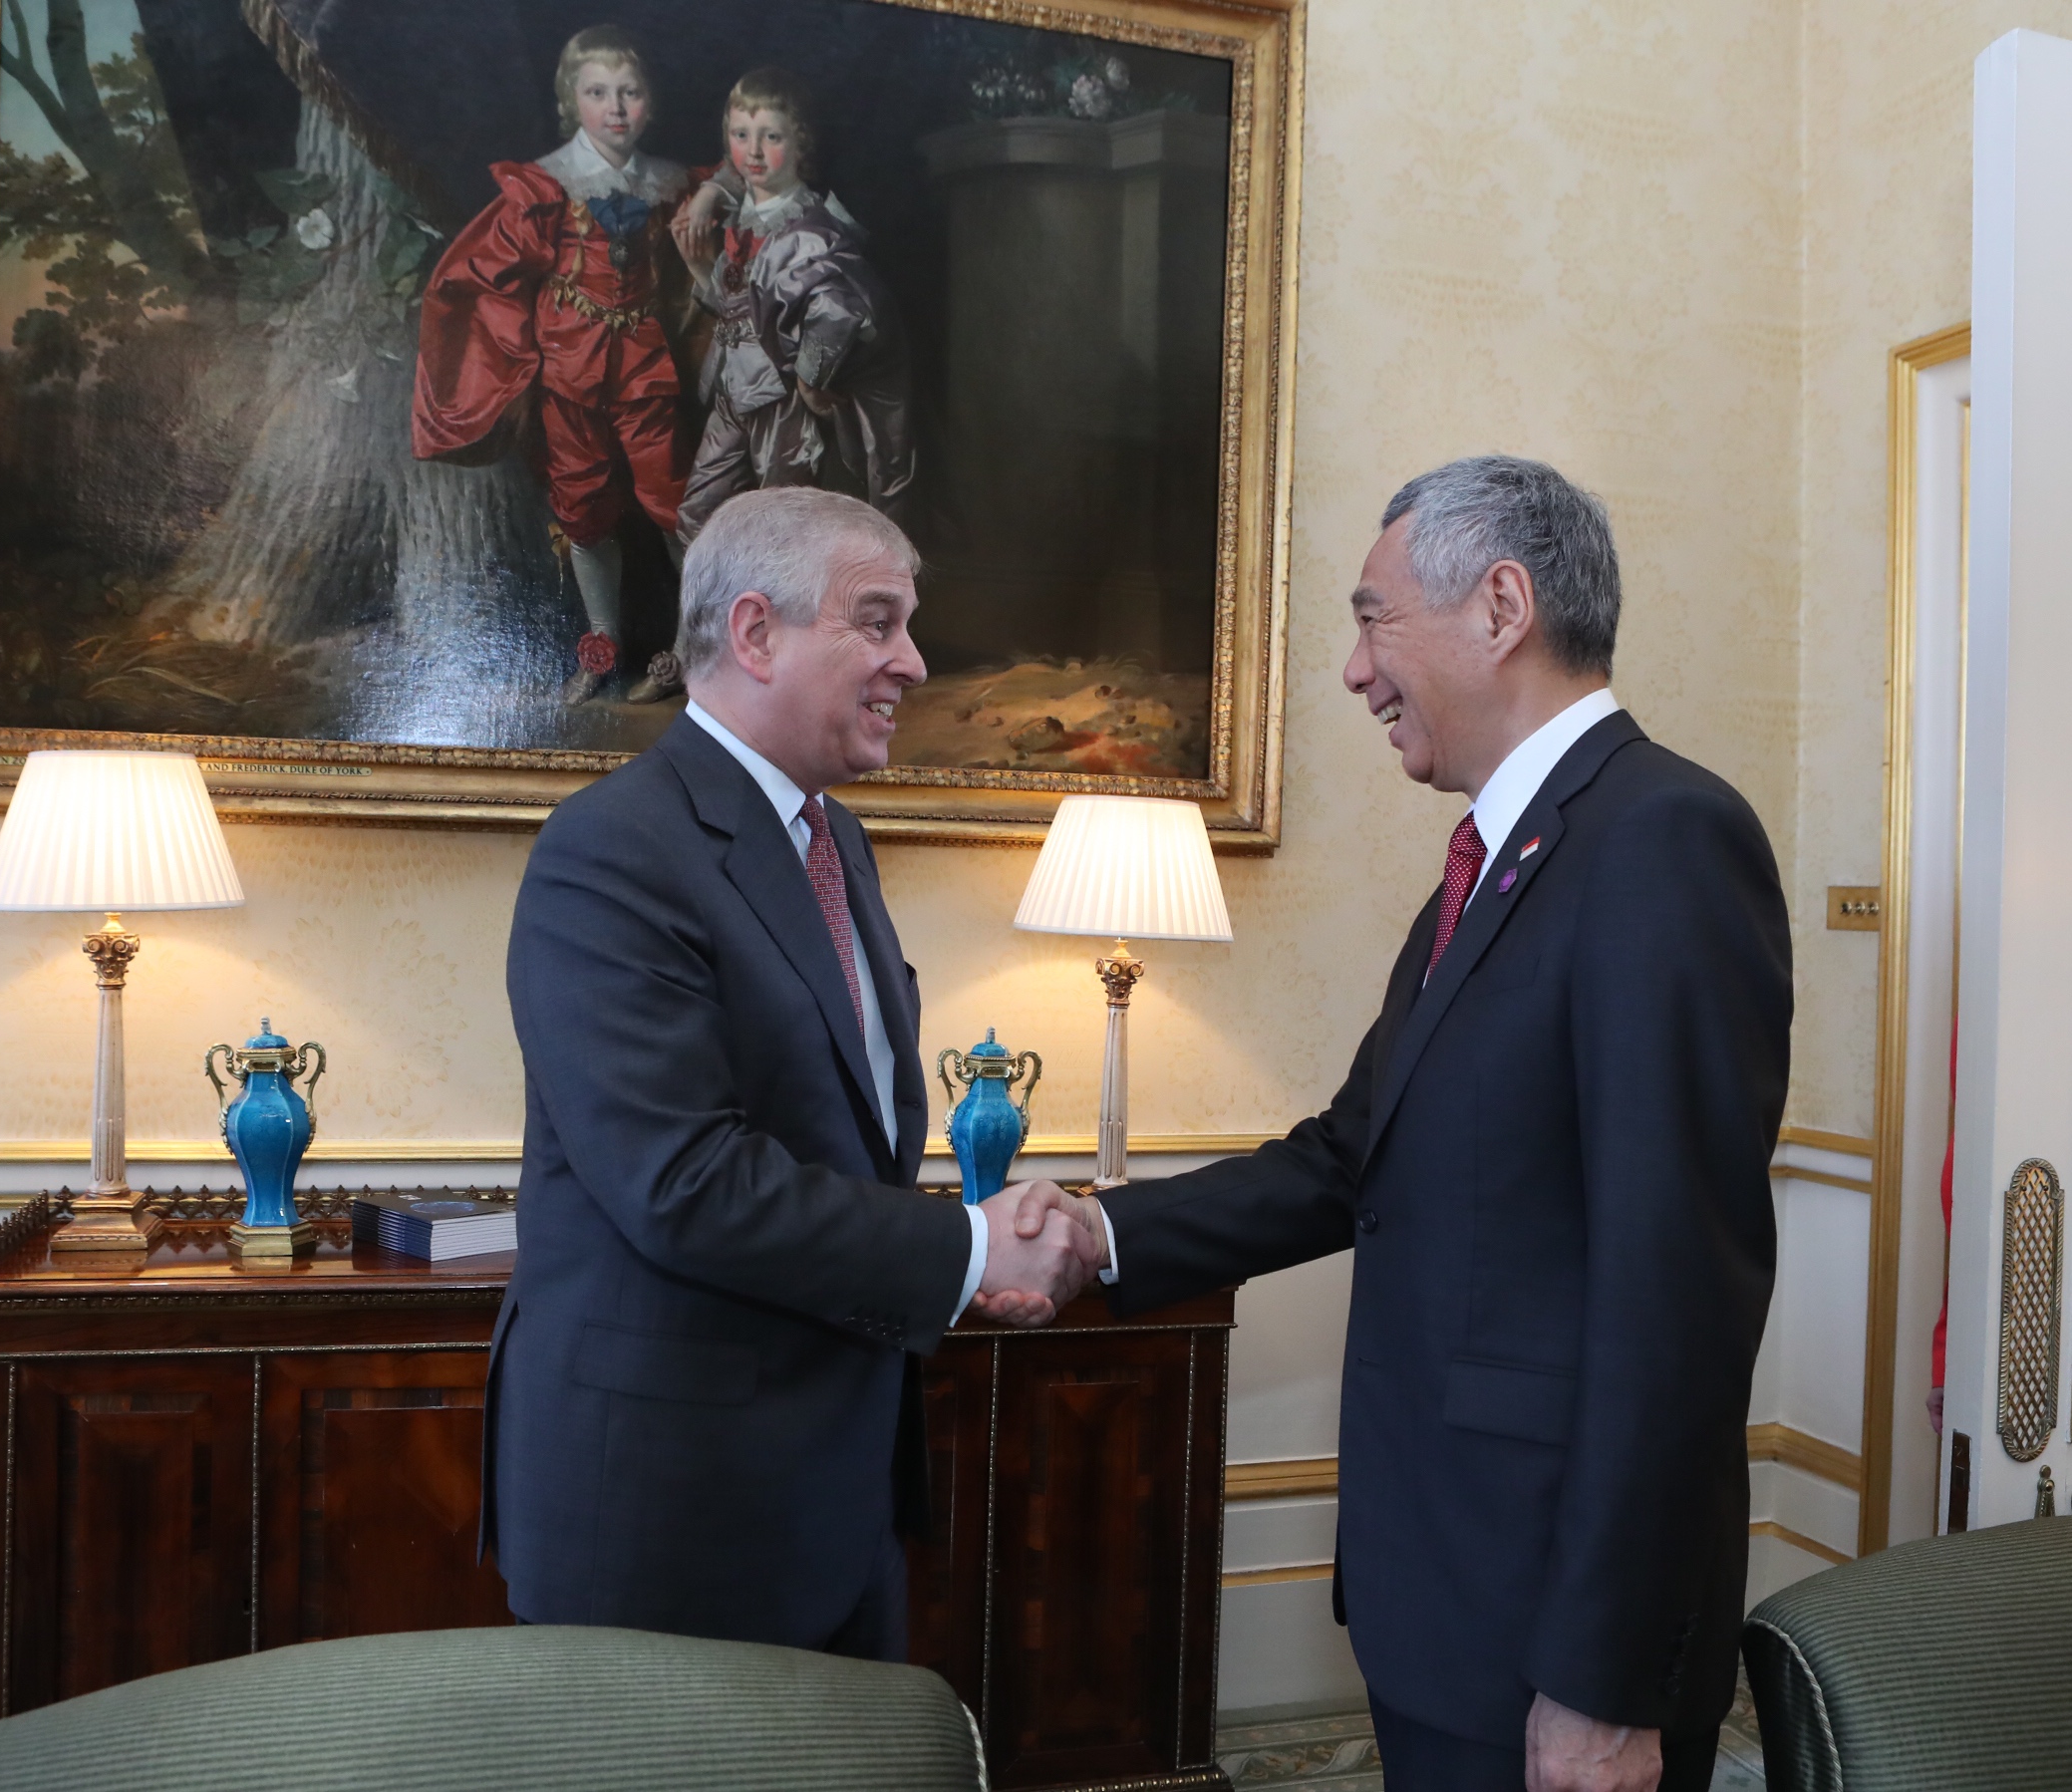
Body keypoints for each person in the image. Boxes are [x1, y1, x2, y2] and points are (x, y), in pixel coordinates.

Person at [1010, 456, 1792, 1792]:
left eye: (1374, 618)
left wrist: (1603, 1681)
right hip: (1452, 1595)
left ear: (1500, 606)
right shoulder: (1499, 864)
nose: (1354, 671)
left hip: (1555, 1625)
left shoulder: (1663, 838)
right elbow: (1347, 1157)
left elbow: (1679, 1302)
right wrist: (1098, 1230)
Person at [488, 486, 1094, 1658]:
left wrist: (955, 1261)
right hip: (668, 1512)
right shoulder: (611, 847)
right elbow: (683, 1182)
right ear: (756, 633)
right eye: (877, 622)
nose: (913, 662)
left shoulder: (832, 836)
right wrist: (966, 1248)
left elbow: (836, 1137)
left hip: (833, 1487)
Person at [413, 26, 720, 705]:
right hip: (568, 366)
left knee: (673, 502)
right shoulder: (545, 184)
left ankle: (690, 650)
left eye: (631, 93)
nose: (616, 108)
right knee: (581, 508)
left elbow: (730, 179)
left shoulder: (667, 181)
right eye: (598, 92)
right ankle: (601, 649)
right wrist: (512, 358)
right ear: (570, 101)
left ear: (650, 103)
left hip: (642, 361)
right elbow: (484, 274)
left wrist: (705, 199)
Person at [671, 67, 914, 545]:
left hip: (781, 397)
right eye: (742, 135)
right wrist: (702, 269)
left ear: (800, 146)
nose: (754, 151)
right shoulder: (742, 217)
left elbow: (842, 310)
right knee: (696, 518)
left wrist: (809, 377)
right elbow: (738, 306)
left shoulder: (812, 226)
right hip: (733, 390)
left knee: (783, 524)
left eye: (772, 136)